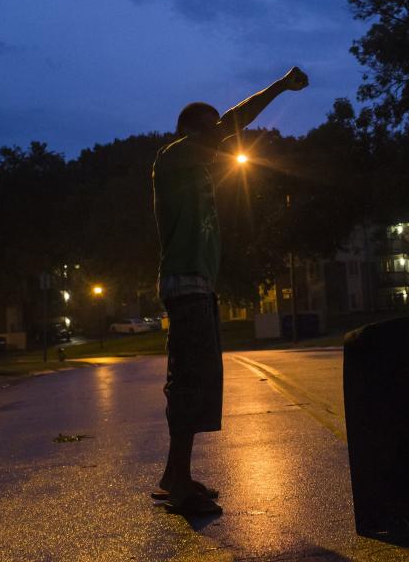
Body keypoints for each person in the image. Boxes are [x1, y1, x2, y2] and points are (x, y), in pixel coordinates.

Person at [152, 66, 308, 514]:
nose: (219, 137)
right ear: (190, 131)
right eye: (211, 127)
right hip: (184, 284)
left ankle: (175, 475)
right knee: (187, 382)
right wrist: (279, 86)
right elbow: (231, 125)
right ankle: (177, 485)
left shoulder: (196, 172)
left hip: (198, 286)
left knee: (197, 381)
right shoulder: (173, 157)